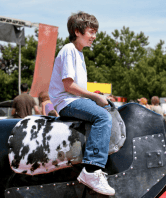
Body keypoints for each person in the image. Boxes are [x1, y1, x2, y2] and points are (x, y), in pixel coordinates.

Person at [48, 12, 115, 195]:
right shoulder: (69, 50)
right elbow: (68, 85)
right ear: (77, 31)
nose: (94, 36)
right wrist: (95, 97)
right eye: (91, 32)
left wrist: (97, 98)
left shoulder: (78, 53)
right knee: (103, 117)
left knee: (107, 108)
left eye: (95, 32)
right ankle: (92, 170)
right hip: (66, 101)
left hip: (72, 99)